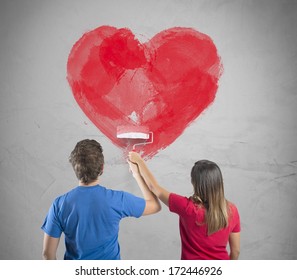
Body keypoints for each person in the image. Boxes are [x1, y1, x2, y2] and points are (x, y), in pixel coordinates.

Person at [41, 139, 161, 260]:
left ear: (75, 168)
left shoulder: (59, 204)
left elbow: (48, 255)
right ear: (102, 168)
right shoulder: (117, 199)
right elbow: (155, 205)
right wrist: (137, 174)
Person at [128, 152, 240, 260]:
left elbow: (154, 188)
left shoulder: (188, 208)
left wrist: (138, 161)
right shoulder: (232, 210)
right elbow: (236, 251)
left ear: (194, 183)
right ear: (219, 182)